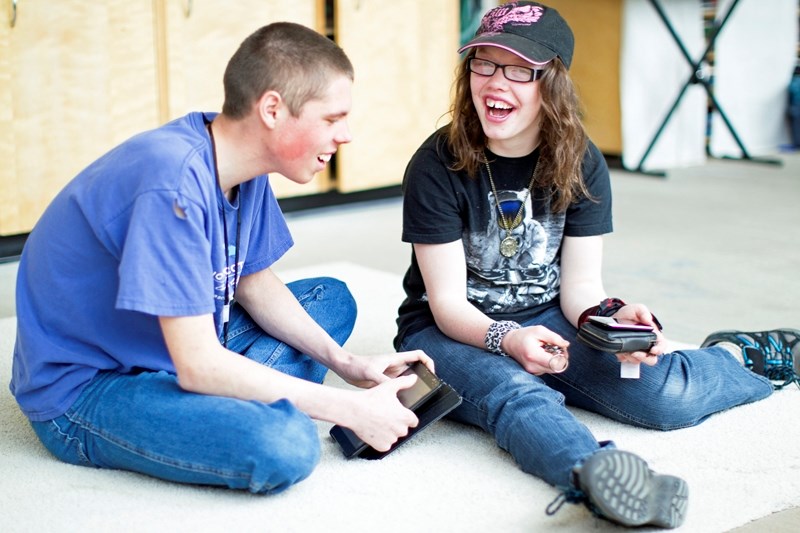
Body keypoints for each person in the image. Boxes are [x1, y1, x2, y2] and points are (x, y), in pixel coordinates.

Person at [393, 2, 792, 528]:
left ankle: (743, 356)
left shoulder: (580, 159)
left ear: (552, 81)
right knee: (518, 393)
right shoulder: (436, 163)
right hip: (450, 331)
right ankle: (602, 478)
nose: (494, 82)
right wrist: (509, 340)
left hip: (551, 315)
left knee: (664, 397)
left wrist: (610, 315)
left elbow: (580, 286)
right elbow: (446, 304)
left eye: (519, 70)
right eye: (483, 64)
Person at [10, 22, 432, 494]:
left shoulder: (240, 163)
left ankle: (226, 401)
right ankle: (226, 406)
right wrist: (346, 408)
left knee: (332, 300)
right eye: (332, 119)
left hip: (180, 342)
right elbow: (198, 365)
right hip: (89, 388)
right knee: (285, 443)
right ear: (272, 108)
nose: (346, 135)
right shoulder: (171, 185)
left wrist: (348, 364)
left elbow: (253, 283)